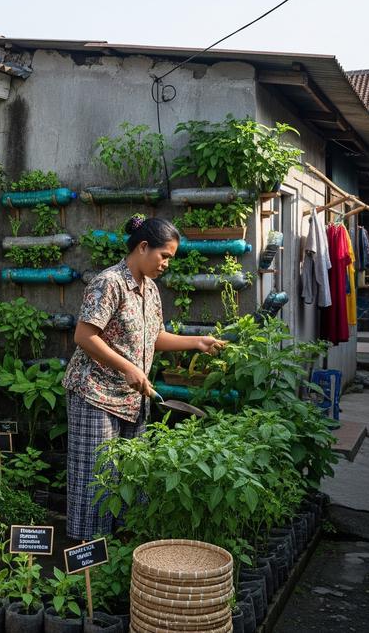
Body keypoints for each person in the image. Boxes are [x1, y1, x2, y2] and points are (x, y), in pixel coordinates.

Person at [63, 215, 224, 540]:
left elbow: (155, 337)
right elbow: (83, 335)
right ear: (143, 246)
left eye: (170, 259)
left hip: (131, 398)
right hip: (95, 394)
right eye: (164, 256)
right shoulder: (109, 283)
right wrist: (127, 367)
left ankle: (117, 554)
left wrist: (198, 342)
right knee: (95, 480)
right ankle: (86, 566)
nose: (166, 264)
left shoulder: (150, 290)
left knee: (129, 479)